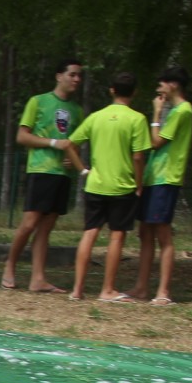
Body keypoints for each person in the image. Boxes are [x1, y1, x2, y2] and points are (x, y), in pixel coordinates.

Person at [1, 60, 87, 293]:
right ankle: (10, 264)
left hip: (62, 174)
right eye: (72, 74)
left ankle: (38, 279)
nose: (77, 79)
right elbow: (22, 136)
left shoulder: (78, 111)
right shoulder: (38, 101)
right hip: (40, 170)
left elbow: (74, 142)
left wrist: (72, 157)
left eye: (79, 76)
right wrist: (53, 143)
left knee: (46, 227)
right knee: (30, 223)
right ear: (59, 76)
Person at [68, 72, 150, 303]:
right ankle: (107, 289)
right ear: (134, 92)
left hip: (95, 184)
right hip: (122, 186)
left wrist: (83, 170)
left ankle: (77, 289)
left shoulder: (96, 117)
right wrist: (139, 184)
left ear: (112, 90)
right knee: (117, 236)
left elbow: (70, 145)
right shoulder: (137, 119)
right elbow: (138, 157)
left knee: (90, 233)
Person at [130, 66, 192, 307]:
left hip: (166, 178)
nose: (159, 90)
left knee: (162, 233)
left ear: (174, 84)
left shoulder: (183, 110)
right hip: (153, 176)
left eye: (162, 85)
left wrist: (156, 113)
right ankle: (141, 287)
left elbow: (156, 142)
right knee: (145, 232)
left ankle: (163, 291)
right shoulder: (174, 111)